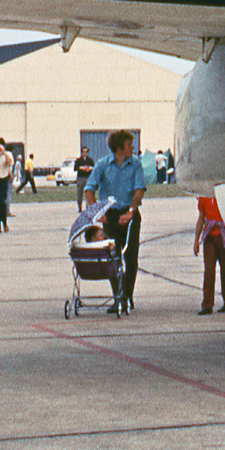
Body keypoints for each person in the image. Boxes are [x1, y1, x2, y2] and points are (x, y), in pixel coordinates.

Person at [84, 131, 148, 313]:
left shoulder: (135, 163)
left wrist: (130, 212)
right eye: (129, 145)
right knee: (113, 257)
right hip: (111, 216)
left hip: (129, 214)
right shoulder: (103, 165)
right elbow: (89, 189)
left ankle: (127, 296)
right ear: (119, 148)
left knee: (131, 256)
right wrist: (98, 211)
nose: (132, 148)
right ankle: (118, 297)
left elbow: (139, 190)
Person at [193, 196, 225, 315]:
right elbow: (201, 218)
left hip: (223, 234)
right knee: (209, 271)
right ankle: (207, 304)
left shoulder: (224, 196)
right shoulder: (203, 197)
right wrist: (196, 240)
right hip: (210, 236)